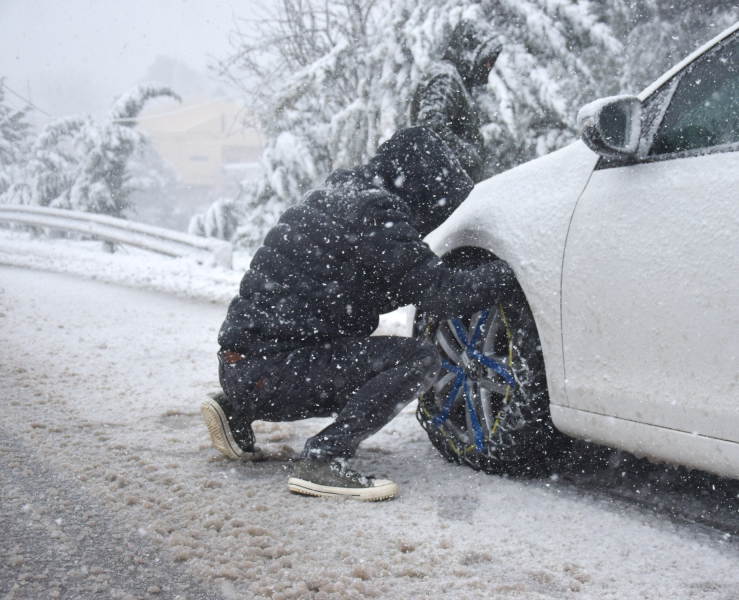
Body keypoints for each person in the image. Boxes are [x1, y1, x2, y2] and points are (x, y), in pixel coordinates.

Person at [201, 127, 517, 501]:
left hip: (245, 365)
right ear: (420, 187)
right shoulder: (374, 215)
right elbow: (442, 294)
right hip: (272, 371)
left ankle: (236, 406)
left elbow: (365, 286)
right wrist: (514, 269)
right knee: (418, 360)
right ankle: (323, 458)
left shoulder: (339, 200)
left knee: (349, 354)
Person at [410, 20, 502, 183]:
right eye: (485, 59)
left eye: (491, 61)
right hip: (442, 189)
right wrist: (469, 156)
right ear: (470, 51)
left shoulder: (454, 79)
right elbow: (429, 127)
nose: (488, 66)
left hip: (447, 186)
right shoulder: (447, 78)